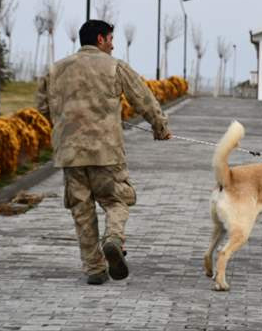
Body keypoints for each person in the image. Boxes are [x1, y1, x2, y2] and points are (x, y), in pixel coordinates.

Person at [36, 19, 171, 285]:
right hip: (106, 152)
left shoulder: (55, 69)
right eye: (110, 38)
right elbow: (143, 98)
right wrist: (160, 126)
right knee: (116, 200)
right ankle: (113, 239)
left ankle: (94, 268)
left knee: (81, 210)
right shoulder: (115, 66)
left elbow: (42, 107)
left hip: (70, 153)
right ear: (100, 39)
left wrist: (66, 122)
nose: (113, 44)